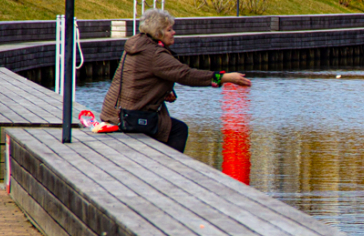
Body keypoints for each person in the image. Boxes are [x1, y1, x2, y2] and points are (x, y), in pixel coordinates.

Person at [100, 9, 251, 153]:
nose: (174, 32)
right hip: (128, 118)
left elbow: (138, 80)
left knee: (169, 126)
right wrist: (224, 78)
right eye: (169, 30)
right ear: (158, 33)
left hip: (113, 112)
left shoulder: (137, 44)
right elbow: (186, 75)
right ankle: (167, 165)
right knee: (178, 130)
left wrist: (163, 93)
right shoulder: (155, 54)